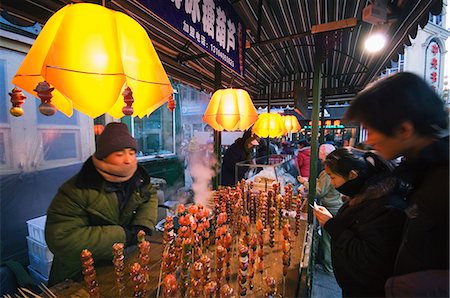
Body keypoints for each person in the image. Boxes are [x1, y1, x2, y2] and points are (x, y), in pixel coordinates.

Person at [344, 72, 449, 296]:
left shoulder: (443, 181)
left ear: (404, 130)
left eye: (371, 131)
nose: (368, 140)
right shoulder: (418, 173)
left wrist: (420, 286)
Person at [45, 122, 158, 286]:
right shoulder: (77, 189)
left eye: (132, 153)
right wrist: (122, 236)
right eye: (119, 154)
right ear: (104, 155)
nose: (128, 160)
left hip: (121, 264)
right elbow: (61, 238)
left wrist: (141, 225)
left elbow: (150, 195)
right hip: (79, 274)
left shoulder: (138, 180)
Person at [312, 147, 407, 297]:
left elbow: (367, 257)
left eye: (333, 177)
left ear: (352, 175)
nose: (332, 183)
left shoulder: (386, 209)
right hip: (353, 285)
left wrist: (331, 225)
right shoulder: (362, 197)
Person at [297, 143, 342, 273]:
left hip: (331, 207)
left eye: (322, 158)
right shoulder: (332, 170)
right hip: (334, 204)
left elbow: (320, 191)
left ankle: (329, 267)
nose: (321, 161)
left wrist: (305, 182)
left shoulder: (328, 172)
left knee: (328, 240)